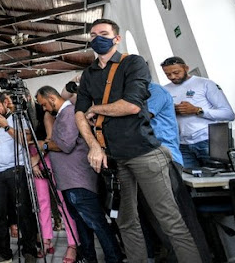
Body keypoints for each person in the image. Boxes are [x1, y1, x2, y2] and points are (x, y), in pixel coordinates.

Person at [74, 18, 201, 263]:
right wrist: (94, 146)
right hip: (114, 158)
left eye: (103, 33)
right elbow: (80, 113)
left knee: (170, 220)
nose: (97, 38)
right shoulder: (88, 74)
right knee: (126, 221)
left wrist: (96, 109)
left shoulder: (133, 63)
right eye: (93, 34)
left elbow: (131, 106)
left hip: (144, 153)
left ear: (116, 38)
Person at [36, 86, 123, 263]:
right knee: (83, 225)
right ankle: (89, 257)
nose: (44, 108)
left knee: (96, 224)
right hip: (69, 181)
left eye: (44, 104)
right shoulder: (61, 115)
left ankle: (114, 259)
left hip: (78, 181)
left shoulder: (68, 113)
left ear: (52, 98)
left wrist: (44, 145)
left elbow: (65, 145)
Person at [139, 82, 211, 263]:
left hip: (164, 159)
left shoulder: (154, 92)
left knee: (179, 219)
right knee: (161, 221)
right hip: (147, 162)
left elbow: (140, 118)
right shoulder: (138, 94)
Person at [0, 91, 37, 263]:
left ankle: (30, 250)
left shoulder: (18, 118)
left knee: (24, 211)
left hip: (15, 168)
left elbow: (26, 140)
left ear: (5, 103)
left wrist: (6, 127)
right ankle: (3, 252)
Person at [160, 56, 235, 168]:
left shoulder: (205, 84)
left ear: (186, 68)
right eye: (168, 74)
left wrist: (197, 110)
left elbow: (228, 114)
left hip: (209, 141)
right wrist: (171, 111)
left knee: (218, 179)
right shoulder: (164, 90)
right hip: (182, 144)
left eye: (176, 72)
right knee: (190, 182)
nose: (173, 77)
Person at [28, 105, 79, 262]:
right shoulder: (20, 117)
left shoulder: (46, 114)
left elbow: (51, 140)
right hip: (33, 158)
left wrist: (37, 159)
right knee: (42, 203)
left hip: (49, 157)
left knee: (61, 202)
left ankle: (73, 243)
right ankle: (46, 239)